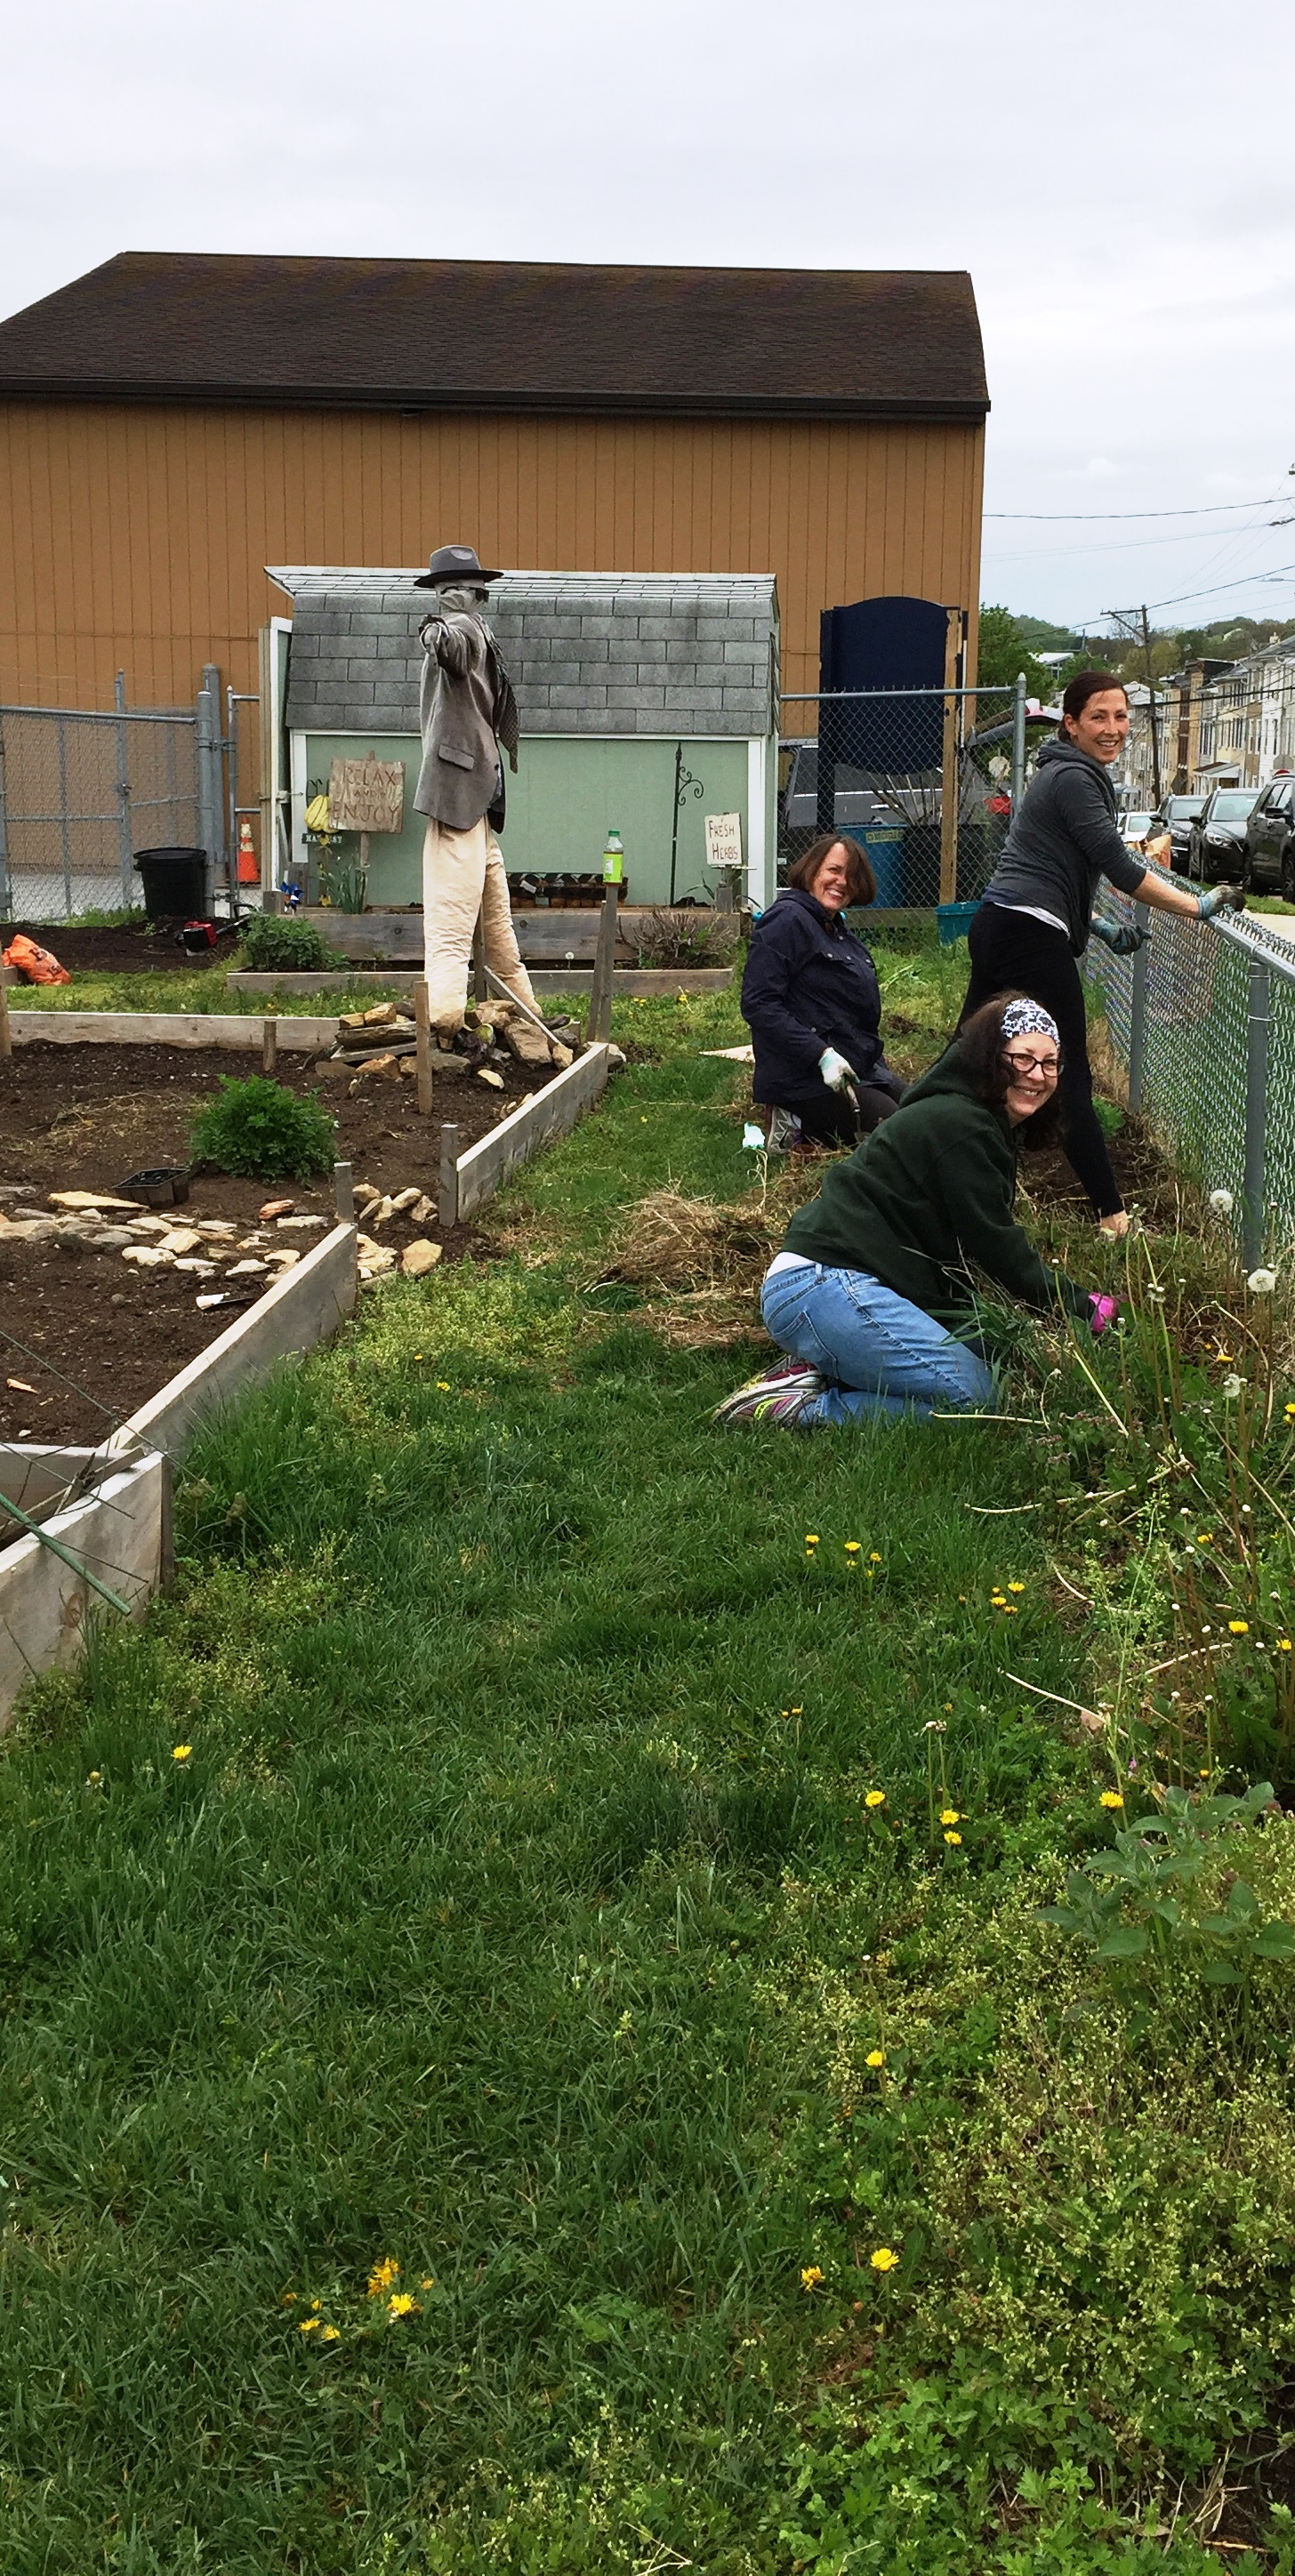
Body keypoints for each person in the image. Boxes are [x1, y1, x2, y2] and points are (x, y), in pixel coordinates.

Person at [713, 995, 1118, 1430]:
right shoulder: (962, 1126)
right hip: (825, 1284)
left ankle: (819, 1369)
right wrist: (1080, 1306)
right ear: (989, 1059)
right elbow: (999, 1250)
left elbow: (948, 1265)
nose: (1037, 1075)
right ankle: (799, 1410)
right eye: (1022, 1059)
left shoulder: (971, 1119)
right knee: (975, 1400)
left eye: (1050, 1063)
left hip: (837, 1284)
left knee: (986, 1374)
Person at [958, 669, 1242, 1239]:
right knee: (1070, 1075)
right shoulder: (1074, 780)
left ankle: (920, 1156)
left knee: (968, 1054)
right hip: (1028, 937)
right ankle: (1113, 1217)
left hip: (1003, 923)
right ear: (1071, 724)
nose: (1113, 729)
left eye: (1121, 717)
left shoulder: (1064, 774)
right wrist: (1198, 906)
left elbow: (1052, 871)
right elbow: (1118, 865)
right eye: (1099, 718)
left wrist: (1100, 927)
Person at [413, 542, 539, 1034]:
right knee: (476, 922)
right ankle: (488, 1013)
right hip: (472, 793)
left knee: (467, 925)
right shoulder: (472, 626)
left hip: (467, 797)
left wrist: (437, 627)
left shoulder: (465, 627)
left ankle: (462, 1017)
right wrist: (440, 627)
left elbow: (452, 649)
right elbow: (454, 653)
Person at [740, 832, 905, 1152]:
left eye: (852, 877)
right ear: (812, 870)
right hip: (804, 1079)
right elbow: (759, 1004)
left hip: (858, 1068)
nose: (842, 882)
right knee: (899, 1133)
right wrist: (821, 1054)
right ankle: (793, 1121)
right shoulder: (787, 920)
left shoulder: (834, 928)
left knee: (924, 1111)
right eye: (834, 870)